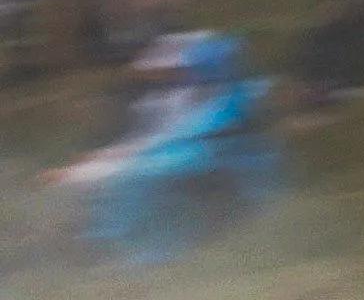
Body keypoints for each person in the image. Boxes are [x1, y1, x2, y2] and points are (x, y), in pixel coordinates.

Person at [55, 30, 280, 265]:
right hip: (172, 156)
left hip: (218, 158)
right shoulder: (167, 97)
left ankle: (131, 250)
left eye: (172, 69)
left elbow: (188, 135)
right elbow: (150, 136)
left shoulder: (233, 95)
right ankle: (94, 243)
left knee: (132, 178)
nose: (161, 75)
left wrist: (120, 157)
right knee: (88, 179)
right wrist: (104, 157)